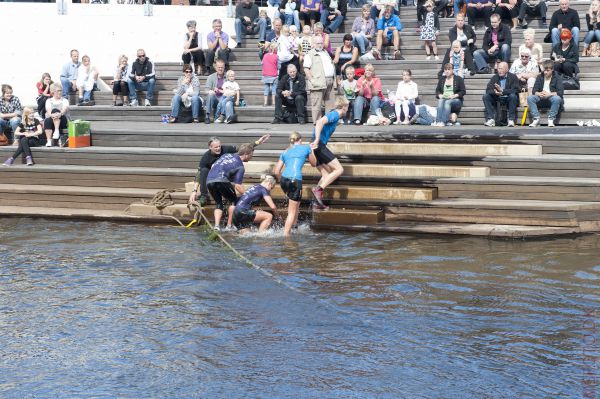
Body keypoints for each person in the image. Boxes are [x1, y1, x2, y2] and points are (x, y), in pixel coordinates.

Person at [189, 135, 271, 206]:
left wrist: (258, 142)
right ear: (210, 147)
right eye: (216, 147)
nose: (218, 149)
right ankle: (204, 196)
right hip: (214, 177)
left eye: (219, 146)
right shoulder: (206, 157)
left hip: (227, 175)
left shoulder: (226, 149)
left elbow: (243, 149)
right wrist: (194, 191)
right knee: (204, 170)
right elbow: (199, 174)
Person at [273, 132, 317, 236]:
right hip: (295, 180)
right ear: (300, 140)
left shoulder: (285, 151)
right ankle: (286, 234)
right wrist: (312, 150)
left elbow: (276, 171)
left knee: (295, 205)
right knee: (292, 211)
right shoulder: (306, 148)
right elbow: (314, 163)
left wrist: (282, 182)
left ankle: (294, 227)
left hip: (284, 179)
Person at [310, 96, 349, 210]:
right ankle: (318, 189)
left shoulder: (335, 116)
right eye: (347, 107)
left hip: (315, 146)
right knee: (339, 169)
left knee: (326, 174)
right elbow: (319, 122)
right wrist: (317, 139)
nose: (348, 109)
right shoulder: (335, 114)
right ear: (343, 107)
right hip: (319, 145)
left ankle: (316, 202)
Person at [204, 144, 255, 230]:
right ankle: (229, 225)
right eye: (251, 155)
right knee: (234, 201)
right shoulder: (240, 166)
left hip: (209, 180)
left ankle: (216, 226)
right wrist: (249, 195)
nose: (251, 157)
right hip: (222, 180)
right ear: (246, 154)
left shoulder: (226, 155)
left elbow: (214, 166)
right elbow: (238, 186)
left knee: (219, 203)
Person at [304, 35, 336, 122]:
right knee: (316, 104)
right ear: (313, 44)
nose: (320, 45)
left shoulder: (325, 52)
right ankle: (317, 123)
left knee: (330, 103)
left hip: (329, 80)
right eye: (318, 43)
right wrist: (312, 80)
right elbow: (306, 68)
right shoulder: (309, 54)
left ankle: (329, 121)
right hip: (317, 82)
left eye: (321, 43)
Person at [527, 59, 564, 127]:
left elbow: (560, 92)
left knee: (557, 98)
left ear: (552, 70)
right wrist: (539, 93)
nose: (545, 72)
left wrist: (549, 94)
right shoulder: (539, 76)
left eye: (547, 70)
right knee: (530, 98)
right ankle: (536, 118)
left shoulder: (557, 77)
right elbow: (534, 91)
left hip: (551, 99)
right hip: (541, 98)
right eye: (544, 70)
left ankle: (551, 119)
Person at [482, 61, 520, 127]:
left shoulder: (513, 77)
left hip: (508, 98)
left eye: (501, 68)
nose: (499, 70)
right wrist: (496, 93)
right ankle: (491, 119)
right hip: (497, 98)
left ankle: (511, 120)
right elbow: (488, 90)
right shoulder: (495, 77)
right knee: (486, 96)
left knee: (513, 96)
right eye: (498, 68)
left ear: (507, 69)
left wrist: (502, 91)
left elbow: (516, 90)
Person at [205, 59, 227, 124]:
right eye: (219, 67)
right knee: (210, 95)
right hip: (214, 98)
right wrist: (211, 91)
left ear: (224, 67)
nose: (220, 69)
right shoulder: (211, 77)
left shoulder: (227, 77)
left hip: (223, 99)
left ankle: (221, 116)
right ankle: (207, 116)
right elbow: (206, 90)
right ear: (216, 67)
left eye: (222, 67)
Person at [262, 42, 278, 107]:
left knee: (266, 88)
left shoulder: (265, 55)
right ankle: (274, 103)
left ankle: (265, 102)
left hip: (265, 74)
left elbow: (262, 63)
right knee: (274, 88)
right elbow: (278, 66)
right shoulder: (276, 56)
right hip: (274, 75)